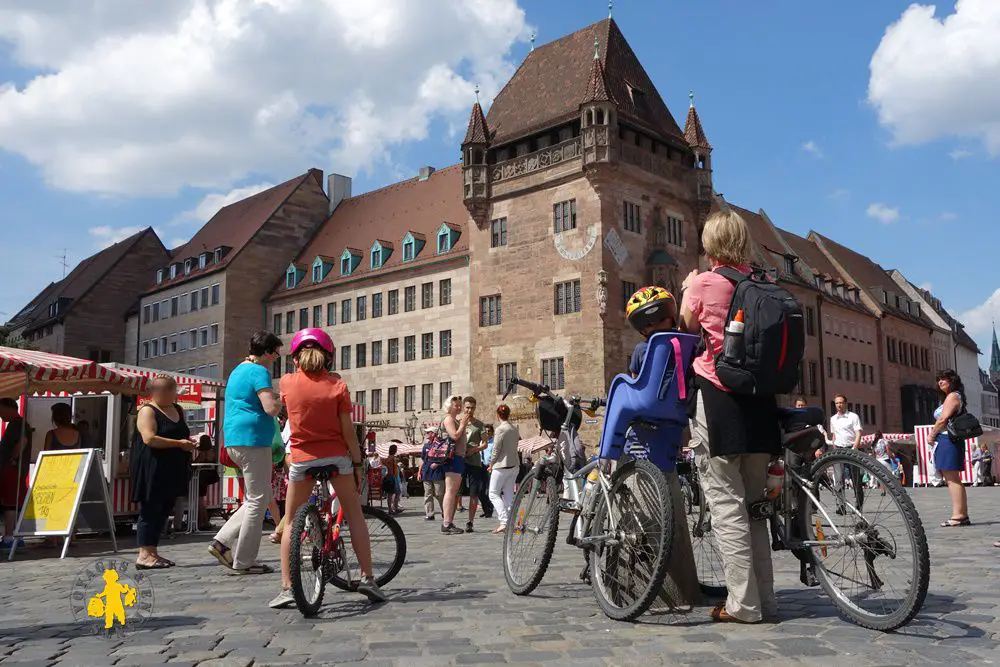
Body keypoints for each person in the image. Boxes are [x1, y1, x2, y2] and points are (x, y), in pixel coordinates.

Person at [678, 210, 779, 624]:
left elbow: (684, 335)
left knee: (727, 506)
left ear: (710, 243)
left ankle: (744, 605)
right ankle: (766, 600)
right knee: (755, 508)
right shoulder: (765, 284)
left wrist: (686, 288)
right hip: (761, 404)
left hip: (718, 401)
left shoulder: (703, 282)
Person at [270, 328, 385, 608]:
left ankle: (287, 587)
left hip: (302, 459)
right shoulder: (337, 385)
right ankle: (367, 578)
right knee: (354, 515)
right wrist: (358, 464)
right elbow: (348, 432)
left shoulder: (287, 383)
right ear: (329, 358)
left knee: (291, 522)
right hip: (336, 458)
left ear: (295, 358)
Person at [208, 331, 282, 574]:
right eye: (276, 353)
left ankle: (221, 541)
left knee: (257, 496)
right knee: (259, 500)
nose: (276, 358)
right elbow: (270, 408)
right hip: (253, 440)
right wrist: (284, 401)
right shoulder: (260, 371)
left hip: (234, 439)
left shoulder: (237, 370)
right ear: (269, 352)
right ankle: (244, 560)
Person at [130, 374, 198, 569]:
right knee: (150, 509)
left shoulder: (177, 409)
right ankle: (144, 554)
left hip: (172, 467)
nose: (171, 394)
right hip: (152, 467)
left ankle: (153, 552)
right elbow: (149, 438)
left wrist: (190, 442)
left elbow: (180, 433)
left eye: (172, 390)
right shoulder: (147, 411)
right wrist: (179, 443)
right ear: (155, 392)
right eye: (166, 390)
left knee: (164, 509)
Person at [623, 285, 679, 461]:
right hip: (680, 407)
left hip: (649, 408)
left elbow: (634, 382)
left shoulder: (641, 349)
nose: (654, 324)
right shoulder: (686, 342)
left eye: (659, 319)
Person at [927, 370, 971, 527]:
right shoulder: (949, 397)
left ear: (952, 380)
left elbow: (943, 419)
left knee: (952, 478)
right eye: (938, 379)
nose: (940, 382)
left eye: (944, 379)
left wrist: (931, 435)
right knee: (952, 478)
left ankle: (959, 515)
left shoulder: (953, 396)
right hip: (947, 439)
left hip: (948, 439)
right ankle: (961, 514)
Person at [0, 398, 31, 549]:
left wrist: (12, 459)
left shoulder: (17, 424)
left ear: (9, 408)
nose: (0, 414)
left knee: (11, 505)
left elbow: (22, 441)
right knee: (14, 504)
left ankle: (8, 538)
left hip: (13, 469)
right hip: (15, 469)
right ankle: (17, 537)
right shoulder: (17, 424)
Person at [459, 396, 492, 531]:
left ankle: (470, 522)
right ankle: (448, 520)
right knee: (456, 491)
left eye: (472, 408)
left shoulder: (479, 425)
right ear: (463, 407)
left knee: (474, 492)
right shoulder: (458, 422)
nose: (469, 410)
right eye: (467, 407)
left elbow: (485, 444)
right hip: (460, 460)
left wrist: (474, 450)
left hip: (474, 461)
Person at [487, 404, 521, 534]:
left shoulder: (500, 429)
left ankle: (504, 522)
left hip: (501, 465)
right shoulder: (514, 429)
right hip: (514, 465)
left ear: (498, 415)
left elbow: (496, 449)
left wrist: (491, 463)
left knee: (493, 494)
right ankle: (511, 521)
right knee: (508, 495)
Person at [440, 395, 471, 535]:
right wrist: (463, 424)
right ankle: (446, 523)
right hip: (452, 459)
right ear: (449, 406)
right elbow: (454, 436)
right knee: (450, 491)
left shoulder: (454, 420)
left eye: (460, 405)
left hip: (458, 457)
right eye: (456, 405)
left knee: (453, 492)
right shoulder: (448, 419)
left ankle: (449, 521)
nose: (459, 407)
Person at [828, 394, 862, 510]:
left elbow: (858, 433)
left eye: (841, 402)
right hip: (838, 449)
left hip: (851, 448)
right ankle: (841, 505)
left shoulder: (853, 417)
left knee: (856, 479)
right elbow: (834, 435)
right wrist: (834, 447)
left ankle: (858, 505)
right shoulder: (833, 419)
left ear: (845, 403)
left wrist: (854, 447)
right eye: (837, 403)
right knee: (838, 479)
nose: (839, 405)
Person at [419, 427, 446, 521]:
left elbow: (446, 458)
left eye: (428, 432)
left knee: (440, 494)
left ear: (433, 433)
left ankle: (445, 512)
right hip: (426, 473)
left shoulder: (441, 444)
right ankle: (430, 514)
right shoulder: (426, 445)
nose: (426, 434)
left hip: (438, 473)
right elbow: (422, 459)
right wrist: (419, 472)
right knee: (427, 494)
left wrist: (438, 464)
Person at [381, 444, 401, 514]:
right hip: (392, 476)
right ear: (394, 450)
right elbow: (391, 467)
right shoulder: (392, 458)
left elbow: (385, 462)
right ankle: (392, 508)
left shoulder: (389, 457)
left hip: (391, 476)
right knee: (392, 493)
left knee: (394, 493)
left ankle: (393, 508)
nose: (396, 450)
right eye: (396, 449)